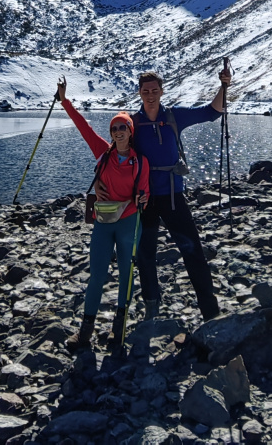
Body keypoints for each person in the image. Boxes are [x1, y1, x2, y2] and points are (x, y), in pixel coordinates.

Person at [55, 76, 150, 351]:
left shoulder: (139, 161)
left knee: (125, 274)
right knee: (96, 274)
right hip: (104, 221)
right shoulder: (102, 152)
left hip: (130, 221)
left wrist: (143, 198)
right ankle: (85, 331)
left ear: (131, 131)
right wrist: (65, 101)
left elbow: (145, 193)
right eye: (114, 128)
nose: (118, 131)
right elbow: (82, 126)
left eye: (123, 127)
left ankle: (117, 330)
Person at [132, 61, 229, 323]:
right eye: (145, 91)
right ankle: (152, 305)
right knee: (145, 254)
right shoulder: (132, 124)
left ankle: (210, 311)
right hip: (145, 199)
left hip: (173, 196)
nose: (150, 95)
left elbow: (212, 111)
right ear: (140, 93)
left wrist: (223, 85)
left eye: (154, 90)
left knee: (193, 250)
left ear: (162, 91)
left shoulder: (174, 116)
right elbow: (116, 154)